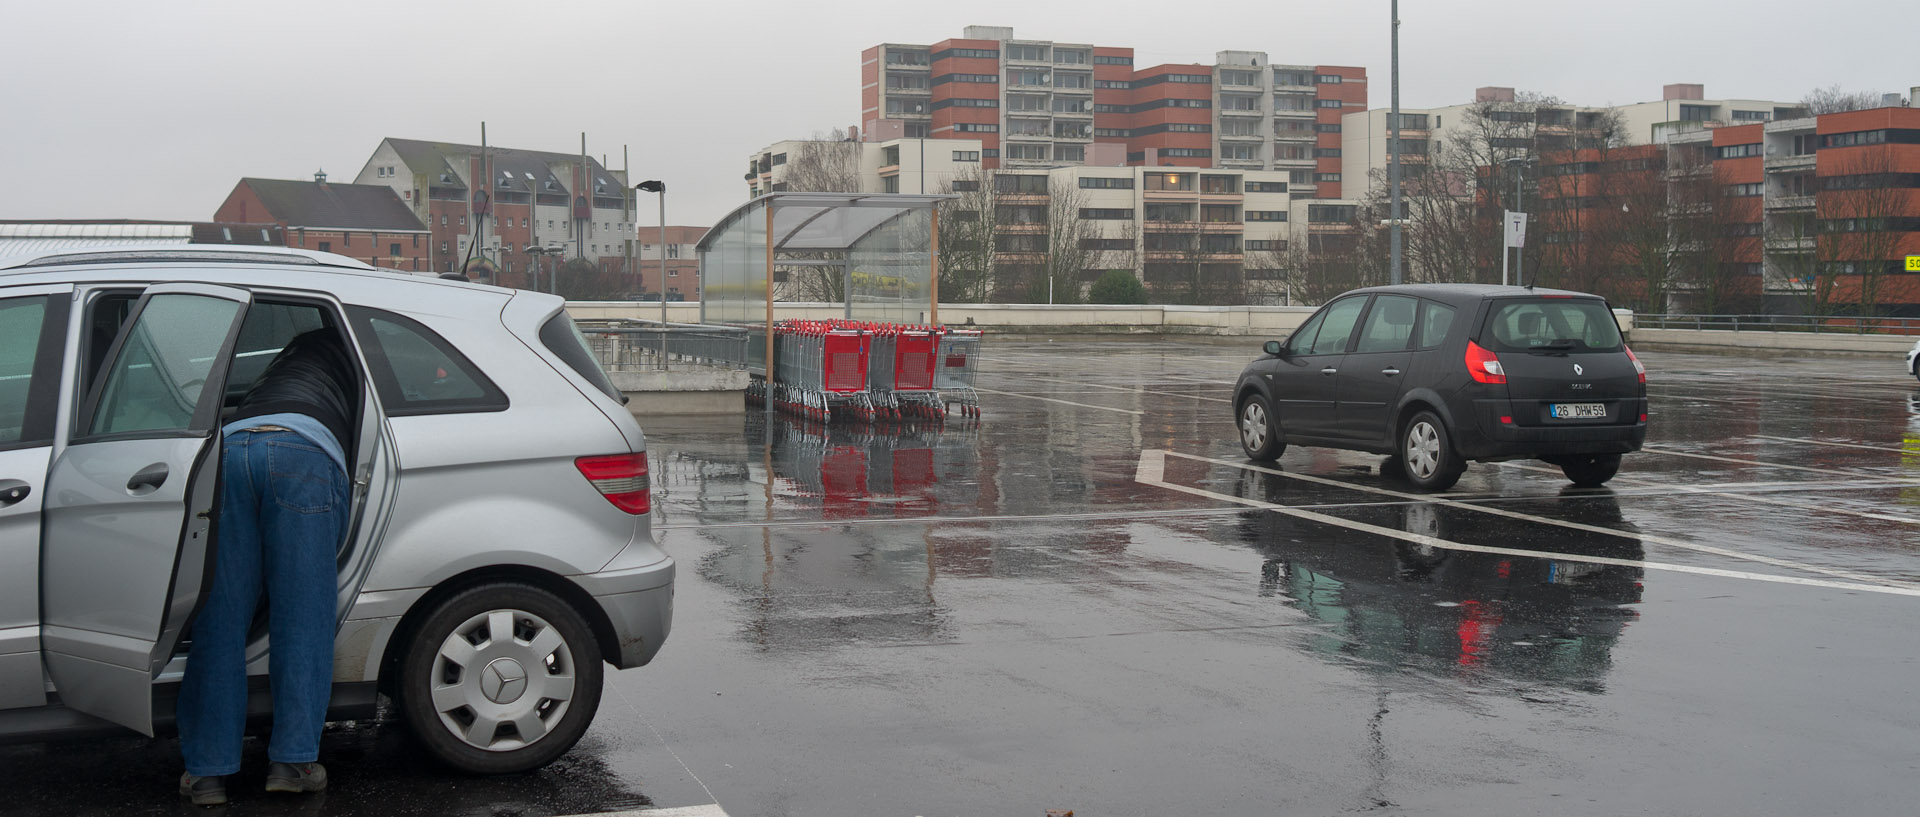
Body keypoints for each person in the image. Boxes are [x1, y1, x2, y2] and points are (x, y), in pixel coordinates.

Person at [176, 327, 358, 805]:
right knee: (302, 619)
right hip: (304, 454)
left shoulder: (287, 357)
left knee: (220, 618)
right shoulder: (361, 352)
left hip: (233, 450)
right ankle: (292, 763)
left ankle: (207, 773)